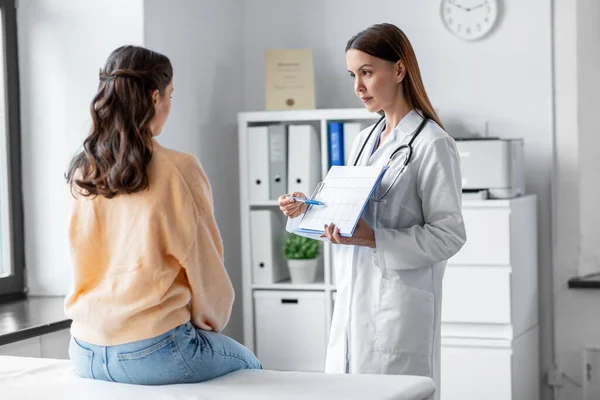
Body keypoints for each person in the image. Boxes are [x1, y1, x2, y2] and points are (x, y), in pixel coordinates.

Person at [278, 23, 466, 399]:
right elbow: (351, 212)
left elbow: (449, 235)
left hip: (397, 313)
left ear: (399, 70)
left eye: (366, 72)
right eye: (353, 75)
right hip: (353, 304)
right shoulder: (365, 139)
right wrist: (307, 209)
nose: (357, 87)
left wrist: (374, 238)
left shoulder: (432, 144)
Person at [65, 45, 261, 385]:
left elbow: (79, 254)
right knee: (253, 369)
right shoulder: (178, 169)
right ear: (155, 97)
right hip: (154, 349)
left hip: (84, 349)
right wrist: (210, 322)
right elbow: (205, 266)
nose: (170, 105)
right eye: (170, 95)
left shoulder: (84, 169)